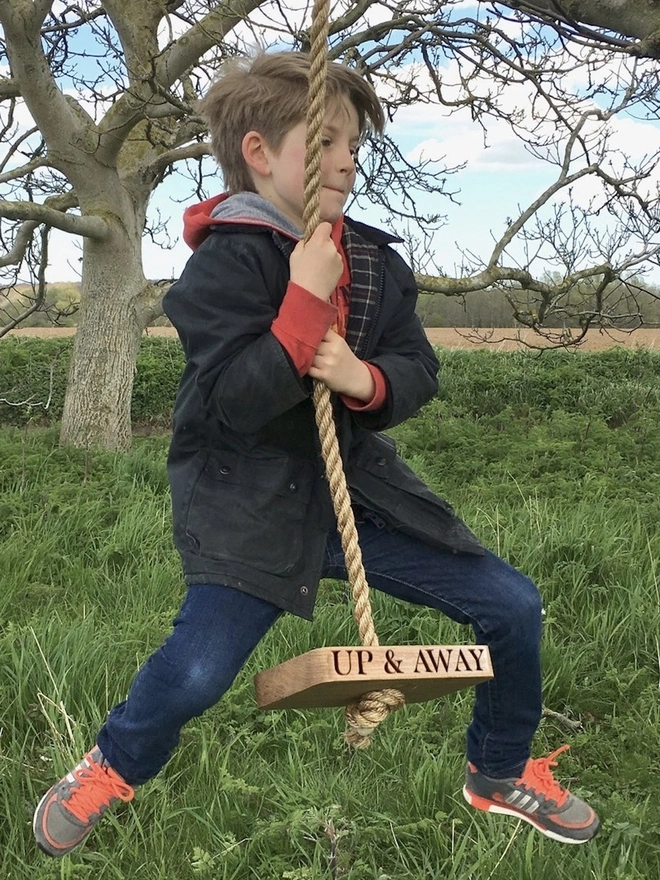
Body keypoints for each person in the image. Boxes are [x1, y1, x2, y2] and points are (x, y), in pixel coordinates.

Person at [33, 51, 599, 858]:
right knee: (196, 672)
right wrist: (301, 307)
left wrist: (363, 379)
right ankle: (111, 766)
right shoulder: (224, 262)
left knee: (511, 604)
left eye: (356, 148)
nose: (346, 161)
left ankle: (499, 771)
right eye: (326, 142)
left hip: (355, 497)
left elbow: (417, 367)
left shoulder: (369, 260)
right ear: (260, 153)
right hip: (249, 503)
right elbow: (235, 398)